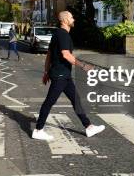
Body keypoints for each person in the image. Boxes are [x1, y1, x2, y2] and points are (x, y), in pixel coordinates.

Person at [32, 11, 105, 141]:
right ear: (65, 20)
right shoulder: (63, 35)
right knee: (49, 102)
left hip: (63, 75)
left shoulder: (56, 34)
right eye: (72, 17)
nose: (74, 19)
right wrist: (84, 66)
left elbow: (49, 54)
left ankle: (89, 127)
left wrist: (46, 72)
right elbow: (66, 55)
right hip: (60, 75)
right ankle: (38, 130)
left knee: (76, 100)